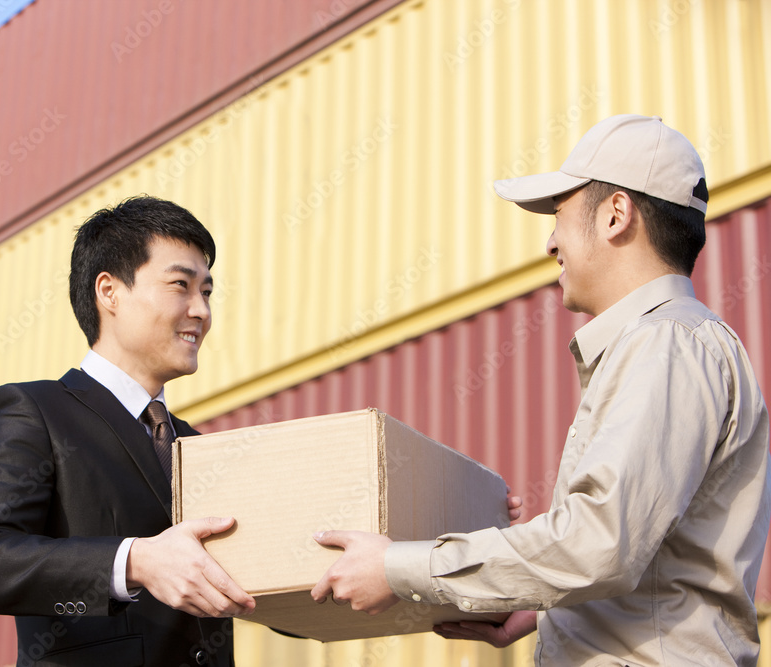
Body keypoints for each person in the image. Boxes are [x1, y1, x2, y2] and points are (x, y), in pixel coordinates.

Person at [310, 114, 771, 665]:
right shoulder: (676, 342)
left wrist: (397, 567)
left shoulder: (664, 344)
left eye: (558, 215)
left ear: (615, 215)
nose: (550, 242)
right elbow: (639, 550)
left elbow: (601, 542)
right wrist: (548, 604)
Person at [0, 195, 255, 667]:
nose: (201, 311)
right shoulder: (36, 411)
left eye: (208, 292)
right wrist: (134, 562)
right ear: (109, 292)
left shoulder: (197, 445)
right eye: (181, 285)